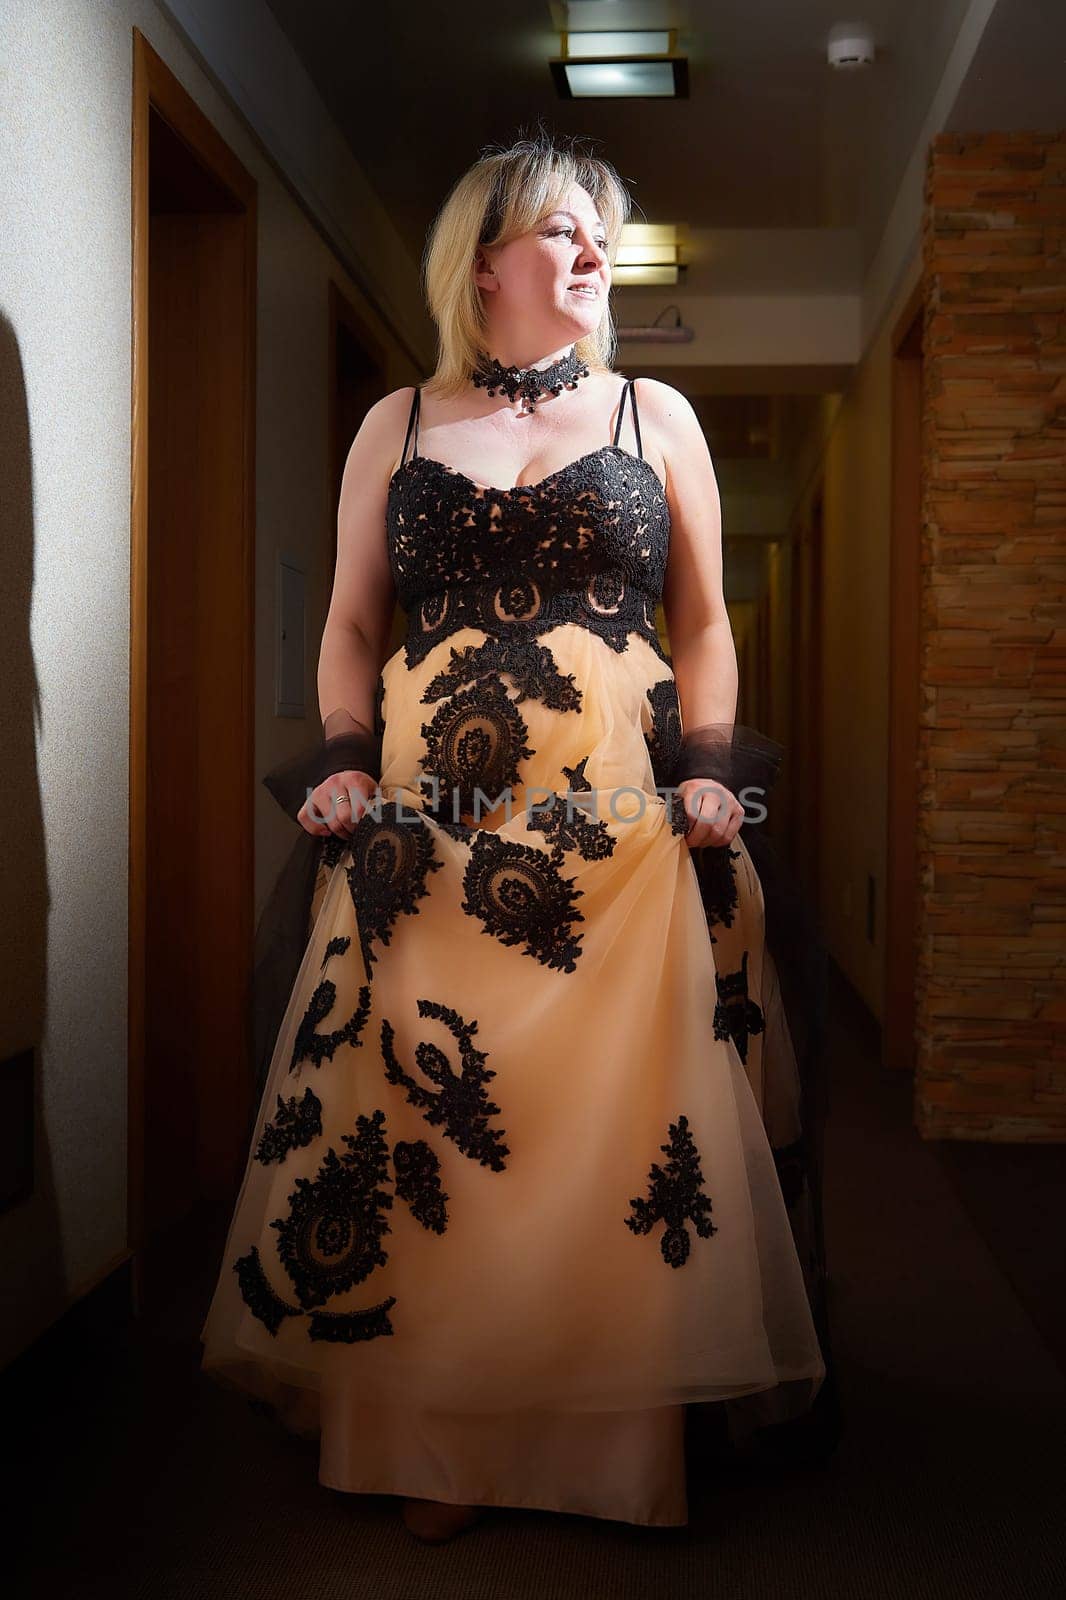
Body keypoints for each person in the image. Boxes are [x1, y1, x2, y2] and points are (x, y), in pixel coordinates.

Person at [199, 134, 832, 1544]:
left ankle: (609, 1449)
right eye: (563, 231)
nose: (594, 253)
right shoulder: (396, 422)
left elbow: (707, 621)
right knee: (428, 1105)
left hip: (616, 821)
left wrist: (713, 772)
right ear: (482, 262)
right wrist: (347, 761)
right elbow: (354, 621)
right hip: (430, 823)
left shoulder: (650, 415)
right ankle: (433, 1438)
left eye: (605, 233)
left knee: (609, 1121)